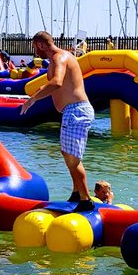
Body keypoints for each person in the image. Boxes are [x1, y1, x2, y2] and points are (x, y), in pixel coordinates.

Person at [20, 31, 95, 209]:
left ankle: (86, 200)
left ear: (40, 45)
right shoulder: (64, 56)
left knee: (72, 158)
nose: (35, 51)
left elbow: (57, 82)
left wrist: (33, 99)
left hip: (75, 111)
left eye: (34, 47)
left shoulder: (58, 57)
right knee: (67, 153)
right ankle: (77, 192)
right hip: (75, 111)